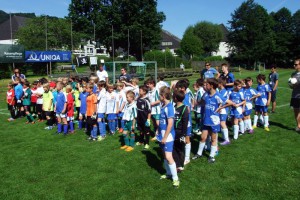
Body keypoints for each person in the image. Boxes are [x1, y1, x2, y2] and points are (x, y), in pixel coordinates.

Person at [192, 78, 231, 163]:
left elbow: (230, 103)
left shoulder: (217, 96)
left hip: (214, 122)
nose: (205, 86)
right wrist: (196, 103)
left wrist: (221, 107)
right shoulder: (206, 94)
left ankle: (211, 156)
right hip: (206, 120)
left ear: (211, 86)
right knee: (203, 137)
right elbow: (201, 101)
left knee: (213, 139)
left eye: (207, 84)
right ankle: (199, 153)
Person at [157, 86, 180, 188]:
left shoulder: (169, 107)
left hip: (168, 136)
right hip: (161, 135)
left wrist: (165, 137)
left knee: (168, 156)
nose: (158, 96)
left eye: (159, 95)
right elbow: (162, 121)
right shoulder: (163, 105)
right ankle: (168, 173)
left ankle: (175, 179)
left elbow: (170, 124)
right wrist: (158, 130)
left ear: (163, 96)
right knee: (164, 155)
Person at [172, 90, 188, 172]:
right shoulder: (174, 107)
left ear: (175, 98)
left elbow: (185, 122)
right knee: (173, 148)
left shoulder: (184, 108)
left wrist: (183, 135)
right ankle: (177, 164)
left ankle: (181, 165)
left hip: (180, 133)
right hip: (173, 132)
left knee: (180, 149)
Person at [136, 85, 151, 149]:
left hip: (145, 119)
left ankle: (147, 143)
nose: (139, 91)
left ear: (144, 92)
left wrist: (148, 120)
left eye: (140, 90)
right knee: (141, 130)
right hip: (139, 118)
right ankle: (141, 141)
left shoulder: (146, 100)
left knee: (146, 131)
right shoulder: (138, 98)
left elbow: (149, 111)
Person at [290, 59, 300, 132]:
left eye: (296, 64)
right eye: (294, 64)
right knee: (296, 111)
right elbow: (292, 87)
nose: (294, 65)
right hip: (294, 95)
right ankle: (298, 125)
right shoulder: (293, 74)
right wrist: (291, 84)